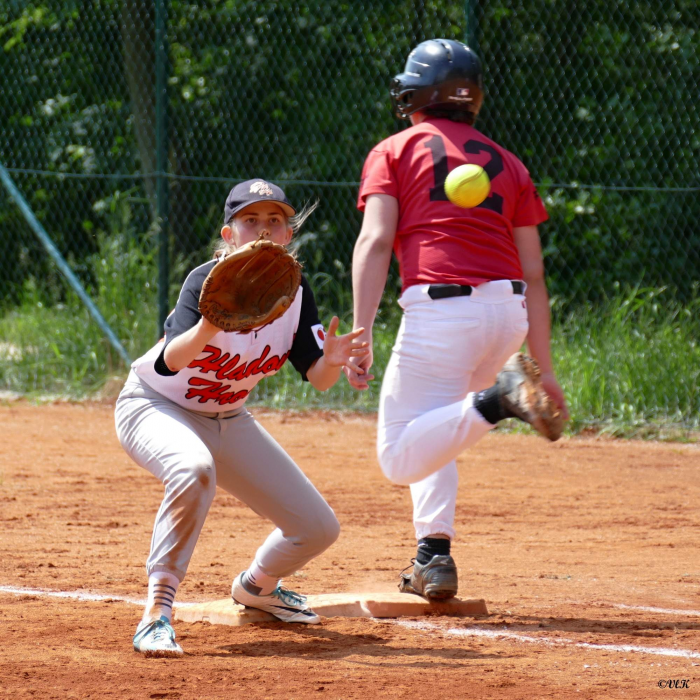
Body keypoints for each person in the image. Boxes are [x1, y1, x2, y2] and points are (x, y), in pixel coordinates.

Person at [345, 39, 569, 601]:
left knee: (399, 455)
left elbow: (375, 241)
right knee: (436, 426)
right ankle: (433, 557)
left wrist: (361, 332)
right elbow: (535, 273)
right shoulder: (509, 163)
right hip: (507, 314)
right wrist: (543, 367)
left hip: (444, 314)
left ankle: (499, 399)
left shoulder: (394, 150)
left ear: (416, 94)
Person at [115, 179, 368, 656]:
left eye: (275, 220)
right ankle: (156, 614)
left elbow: (317, 378)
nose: (264, 229)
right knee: (192, 469)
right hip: (155, 405)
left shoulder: (292, 292)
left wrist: (331, 360)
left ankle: (257, 588)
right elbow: (170, 362)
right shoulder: (206, 281)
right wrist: (209, 323)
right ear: (229, 234)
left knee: (317, 528)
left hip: (227, 417)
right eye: (251, 220)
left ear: (289, 234)